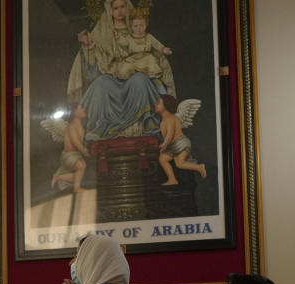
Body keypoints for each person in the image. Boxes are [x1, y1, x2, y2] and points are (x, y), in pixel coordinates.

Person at [67, 0, 174, 142]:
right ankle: (103, 126)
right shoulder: (102, 30)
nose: (120, 11)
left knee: (140, 80)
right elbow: (95, 59)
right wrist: (88, 44)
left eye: (122, 6)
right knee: (101, 83)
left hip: (134, 72)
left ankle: (148, 121)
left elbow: (151, 46)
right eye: (116, 8)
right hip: (113, 73)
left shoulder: (136, 26)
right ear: (110, 10)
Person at [114, 8, 173, 81]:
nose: (139, 28)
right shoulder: (129, 37)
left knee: (151, 60)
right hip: (133, 59)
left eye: (141, 25)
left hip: (146, 58)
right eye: (135, 26)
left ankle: (155, 81)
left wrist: (163, 49)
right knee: (125, 67)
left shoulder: (149, 37)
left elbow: (156, 44)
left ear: (146, 24)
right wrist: (118, 37)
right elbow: (123, 43)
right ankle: (125, 82)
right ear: (131, 26)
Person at [158, 95, 206, 184]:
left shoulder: (170, 118)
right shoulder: (165, 118)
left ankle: (199, 168)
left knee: (172, 161)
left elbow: (170, 134)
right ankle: (173, 179)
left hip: (180, 143)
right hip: (174, 144)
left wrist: (164, 144)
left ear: (166, 105)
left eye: (158, 103)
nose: (156, 105)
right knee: (170, 161)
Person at [51, 105, 90, 192]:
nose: (84, 109)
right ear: (75, 112)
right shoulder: (72, 126)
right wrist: (84, 150)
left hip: (75, 154)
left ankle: (58, 177)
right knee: (81, 166)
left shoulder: (81, 128)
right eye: (80, 108)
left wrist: (86, 150)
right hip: (68, 155)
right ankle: (76, 188)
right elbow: (75, 141)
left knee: (78, 176)